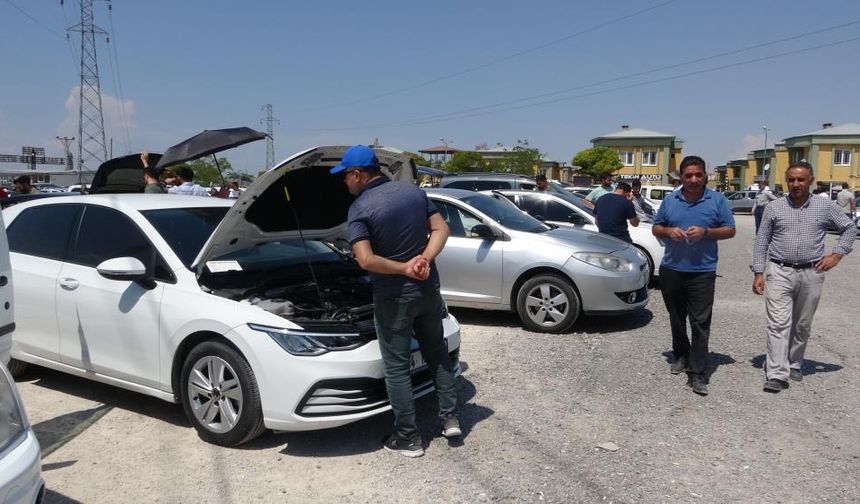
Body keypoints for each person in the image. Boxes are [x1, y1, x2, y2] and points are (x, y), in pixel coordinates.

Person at [330, 145, 459, 458]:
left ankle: (408, 437)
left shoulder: (360, 208)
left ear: (358, 174)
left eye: (345, 176)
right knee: (436, 352)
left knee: (397, 368)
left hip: (394, 297)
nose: (345, 182)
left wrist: (402, 268)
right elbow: (441, 228)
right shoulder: (412, 192)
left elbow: (365, 259)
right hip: (428, 289)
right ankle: (451, 419)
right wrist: (423, 260)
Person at [752, 162, 856, 393]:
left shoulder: (824, 206)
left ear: (810, 180)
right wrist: (759, 272)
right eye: (791, 179)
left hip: (813, 272)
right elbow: (761, 241)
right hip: (780, 271)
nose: (796, 184)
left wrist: (837, 255)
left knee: (802, 323)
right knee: (779, 323)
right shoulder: (774, 207)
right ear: (786, 181)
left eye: (801, 179)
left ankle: (795, 362)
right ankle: (777, 373)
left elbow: (849, 228)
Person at [652, 155, 736, 396]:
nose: (693, 179)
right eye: (688, 175)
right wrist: (668, 231)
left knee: (700, 322)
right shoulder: (671, 200)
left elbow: (730, 230)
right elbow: (656, 227)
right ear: (681, 177)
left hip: (702, 272)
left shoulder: (717, 200)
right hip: (672, 269)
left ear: (705, 176)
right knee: (676, 317)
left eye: (698, 174)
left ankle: (697, 373)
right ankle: (680, 354)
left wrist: (707, 232)